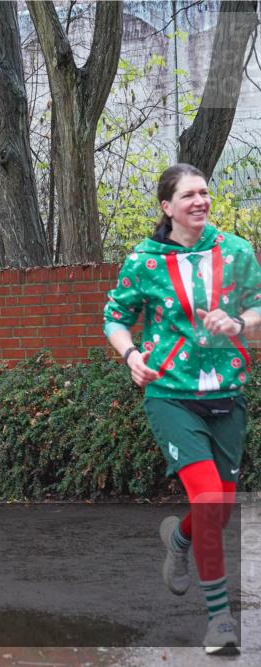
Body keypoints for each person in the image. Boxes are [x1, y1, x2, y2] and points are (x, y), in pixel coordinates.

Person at [103, 163, 260, 656]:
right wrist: (131, 356)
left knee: (217, 511)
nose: (200, 201)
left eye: (205, 193)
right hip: (170, 394)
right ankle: (220, 622)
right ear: (167, 207)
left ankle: (179, 540)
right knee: (210, 499)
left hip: (227, 394)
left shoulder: (236, 252)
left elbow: (259, 310)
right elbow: (115, 317)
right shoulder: (144, 260)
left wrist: (238, 324)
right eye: (189, 195)